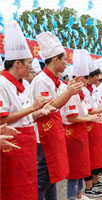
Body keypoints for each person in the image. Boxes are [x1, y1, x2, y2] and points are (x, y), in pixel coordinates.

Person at [0, 22, 56, 200]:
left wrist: (38, 112)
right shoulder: (2, 84)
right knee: (13, 188)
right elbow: (2, 120)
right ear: (17, 63)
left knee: (28, 187)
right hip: (11, 143)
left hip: (27, 141)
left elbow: (24, 115)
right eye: (29, 63)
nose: (32, 67)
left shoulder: (24, 84)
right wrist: (32, 108)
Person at [32, 31, 84, 200]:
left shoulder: (53, 81)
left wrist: (68, 91)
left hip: (53, 133)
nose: (65, 63)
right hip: (42, 137)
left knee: (51, 176)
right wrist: (68, 92)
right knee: (43, 179)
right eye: (64, 60)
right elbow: (48, 108)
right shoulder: (41, 81)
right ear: (55, 60)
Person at [61, 50, 102, 200]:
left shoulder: (80, 93)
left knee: (81, 166)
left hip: (80, 132)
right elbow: (71, 117)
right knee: (75, 168)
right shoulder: (72, 93)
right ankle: (72, 195)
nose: (87, 81)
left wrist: (90, 117)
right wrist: (90, 117)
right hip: (73, 133)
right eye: (85, 78)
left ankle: (79, 194)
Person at [82, 57, 102, 197]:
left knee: (98, 155)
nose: (98, 79)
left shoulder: (92, 89)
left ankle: (95, 180)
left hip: (95, 124)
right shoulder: (82, 90)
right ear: (89, 76)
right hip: (88, 126)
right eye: (96, 77)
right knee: (89, 157)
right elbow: (88, 110)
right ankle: (88, 187)